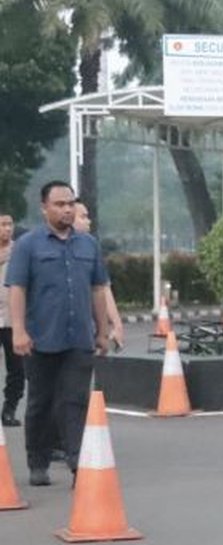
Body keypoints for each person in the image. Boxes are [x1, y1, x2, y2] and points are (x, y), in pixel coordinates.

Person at [5, 181, 111, 487]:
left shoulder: (88, 244)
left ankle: (79, 462)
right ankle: (37, 460)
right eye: (59, 204)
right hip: (40, 339)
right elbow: (17, 289)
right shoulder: (28, 245)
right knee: (41, 402)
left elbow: (98, 289)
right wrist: (19, 331)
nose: (66, 209)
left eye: (70, 204)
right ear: (44, 209)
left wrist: (102, 330)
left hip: (79, 339)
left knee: (75, 401)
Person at [72, 201, 125, 350]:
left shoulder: (91, 247)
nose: (88, 221)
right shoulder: (40, 247)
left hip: (84, 331)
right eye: (83, 217)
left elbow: (102, 288)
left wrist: (116, 324)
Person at [0, 213, 24, 426]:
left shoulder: (20, 252)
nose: (7, 229)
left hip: (12, 321)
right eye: (2, 225)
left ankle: (9, 410)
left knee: (17, 370)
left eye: (10, 224)